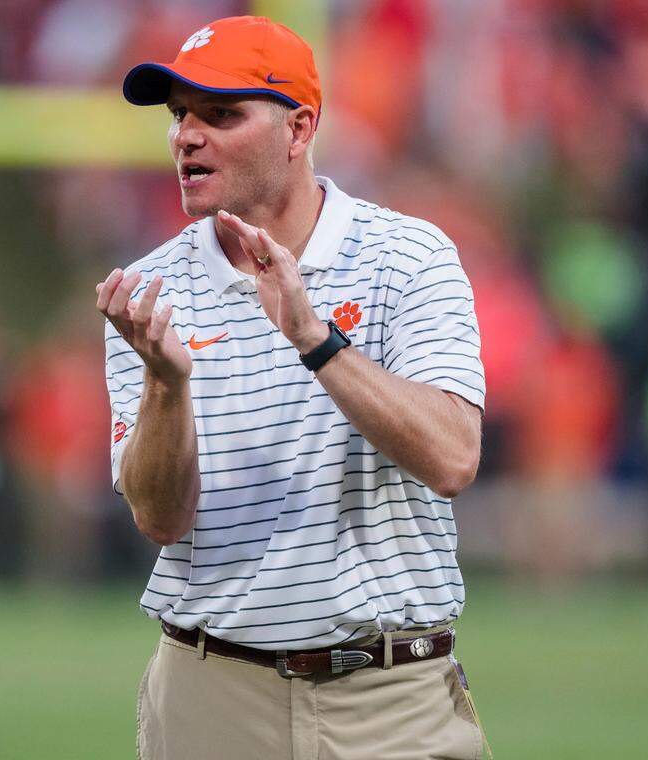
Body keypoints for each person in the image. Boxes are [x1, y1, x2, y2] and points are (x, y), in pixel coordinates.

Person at [97, 16, 489, 760]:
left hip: (389, 696)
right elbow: (160, 518)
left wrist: (315, 339)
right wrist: (166, 386)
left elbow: (452, 457)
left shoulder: (408, 256)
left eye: (221, 114)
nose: (186, 135)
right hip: (210, 692)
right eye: (180, 114)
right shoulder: (148, 289)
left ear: (299, 127)